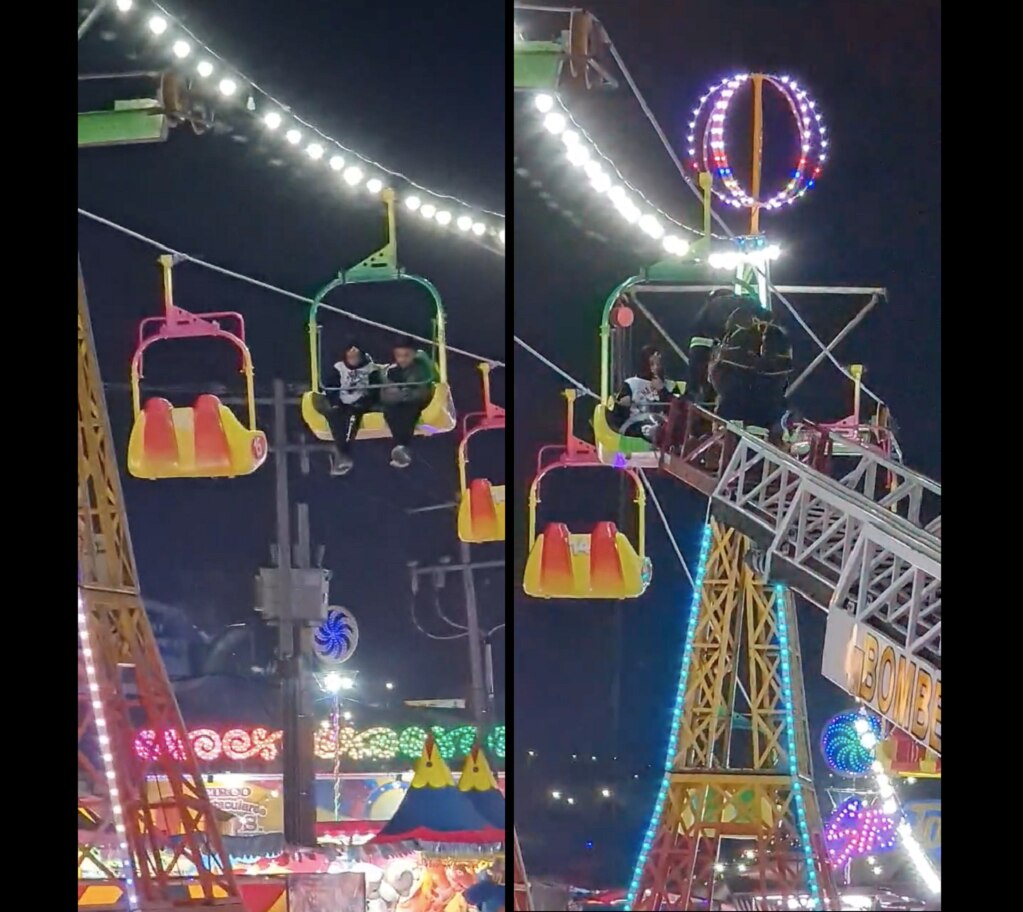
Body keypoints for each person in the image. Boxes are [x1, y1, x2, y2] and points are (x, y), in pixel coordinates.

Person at [688, 289, 793, 440]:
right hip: (774, 363)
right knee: (765, 402)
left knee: (732, 403)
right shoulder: (752, 305)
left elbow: (697, 360)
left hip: (737, 369)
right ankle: (775, 428)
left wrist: (693, 392)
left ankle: (725, 438)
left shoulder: (706, 314)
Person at [322, 341, 379, 475]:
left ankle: (343, 453)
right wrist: (334, 401)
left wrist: (368, 399)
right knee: (334, 415)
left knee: (353, 417)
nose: (353, 359)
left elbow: (376, 389)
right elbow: (332, 386)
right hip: (342, 402)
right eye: (350, 356)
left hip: (361, 403)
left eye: (356, 356)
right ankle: (343, 453)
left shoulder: (370, 368)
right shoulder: (339, 368)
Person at [378, 338, 437, 468]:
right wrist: (399, 395)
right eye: (399, 356)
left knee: (408, 413)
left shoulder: (420, 369)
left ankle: (402, 447)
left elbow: (424, 390)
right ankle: (401, 447)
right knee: (390, 412)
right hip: (398, 403)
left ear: (413, 355)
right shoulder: (391, 371)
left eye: (406, 356)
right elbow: (385, 393)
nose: (402, 359)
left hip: (416, 403)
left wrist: (407, 394)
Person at [610, 344, 683, 442]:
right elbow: (618, 411)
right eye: (653, 364)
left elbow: (679, 410)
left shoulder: (671, 385)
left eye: (659, 363)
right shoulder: (631, 383)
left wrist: (662, 390)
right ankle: (656, 434)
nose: (657, 367)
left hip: (664, 423)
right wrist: (622, 404)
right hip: (637, 423)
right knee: (649, 427)